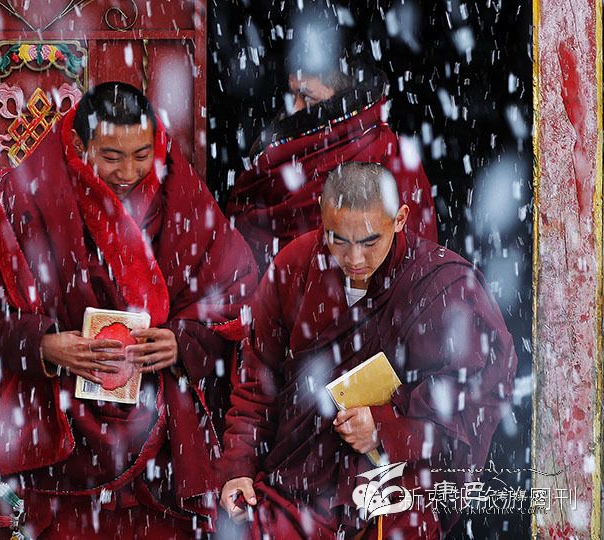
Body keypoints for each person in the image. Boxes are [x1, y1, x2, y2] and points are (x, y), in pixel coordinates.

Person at [0, 82, 257, 538]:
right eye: (112, 157)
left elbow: (234, 297)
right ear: (80, 145)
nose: (129, 172)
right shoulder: (26, 198)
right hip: (65, 435)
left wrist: (182, 341)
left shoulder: (180, 195)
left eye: (142, 154)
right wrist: (45, 345)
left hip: (162, 439)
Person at [219, 162, 515, 538]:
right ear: (322, 217)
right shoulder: (294, 268)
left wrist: (385, 428)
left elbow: (472, 402)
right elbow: (258, 382)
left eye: (369, 241)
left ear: (400, 219)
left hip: (394, 485)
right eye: (339, 239)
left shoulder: (441, 286)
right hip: (299, 483)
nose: (355, 259)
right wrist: (239, 468)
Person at [225, 8, 438, 272]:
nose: (294, 110)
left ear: (341, 99)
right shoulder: (280, 156)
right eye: (293, 95)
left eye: (308, 98)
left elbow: (413, 270)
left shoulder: (392, 159)